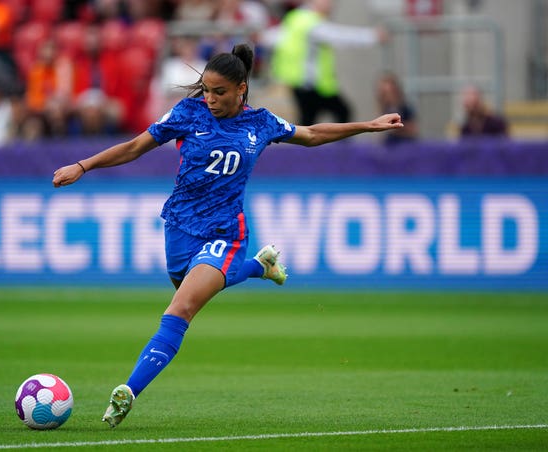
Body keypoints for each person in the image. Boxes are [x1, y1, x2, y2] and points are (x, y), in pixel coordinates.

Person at [52, 43, 403, 428]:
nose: (211, 99)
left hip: (226, 232)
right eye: (206, 90)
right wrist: (84, 166)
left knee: (180, 309)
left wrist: (369, 125)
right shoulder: (187, 113)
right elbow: (136, 147)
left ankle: (128, 392)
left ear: (241, 89)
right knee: (189, 288)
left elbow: (313, 133)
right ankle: (258, 267)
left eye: (219, 92)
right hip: (180, 228)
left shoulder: (261, 123)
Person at [270, 0, 387, 125]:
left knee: (309, 121)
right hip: (312, 84)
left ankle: (327, 143)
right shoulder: (311, 22)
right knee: (341, 112)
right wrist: (373, 36)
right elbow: (340, 36)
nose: (331, 5)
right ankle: (340, 144)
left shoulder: (295, 18)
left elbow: (274, 37)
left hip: (299, 83)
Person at [375, 71, 418, 146]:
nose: (386, 97)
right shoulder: (386, 108)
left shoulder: (404, 108)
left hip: (404, 145)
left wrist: (395, 128)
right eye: (384, 93)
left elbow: (413, 129)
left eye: (389, 93)